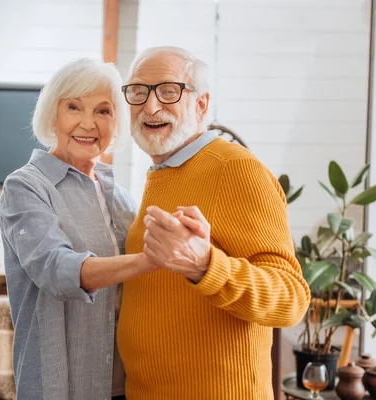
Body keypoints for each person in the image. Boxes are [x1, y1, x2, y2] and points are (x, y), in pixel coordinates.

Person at [117, 46, 312, 399]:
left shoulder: (235, 168)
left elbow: (291, 299)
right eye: (138, 91)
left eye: (168, 91)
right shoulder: (164, 171)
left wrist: (205, 265)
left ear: (201, 105)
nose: (149, 106)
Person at [0, 58, 159, 400]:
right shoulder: (26, 187)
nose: (88, 123)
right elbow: (57, 271)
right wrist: (150, 259)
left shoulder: (122, 198)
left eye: (103, 111)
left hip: (126, 383)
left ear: (116, 122)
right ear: (52, 115)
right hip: (62, 384)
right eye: (74, 107)